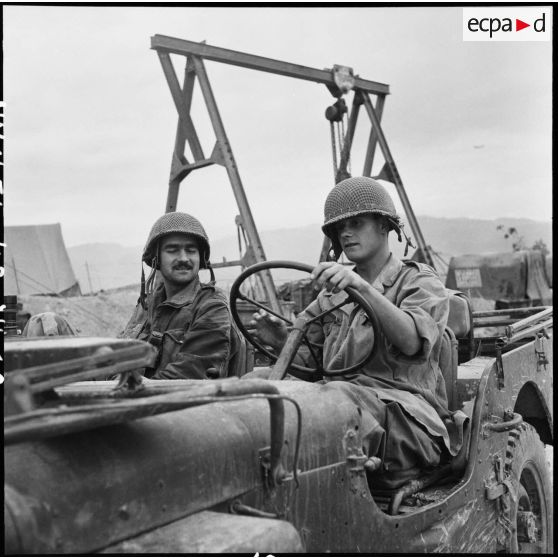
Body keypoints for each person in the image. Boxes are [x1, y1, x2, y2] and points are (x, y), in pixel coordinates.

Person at [249, 176, 465, 488]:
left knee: (335, 396)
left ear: (384, 225)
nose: (346, 233)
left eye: (357, 223)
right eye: (339, 228)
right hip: (342, 409)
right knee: (253, 383)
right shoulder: (331, 295)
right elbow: (313, 368)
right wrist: (283, 339)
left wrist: (360, 286)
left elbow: (412, 342)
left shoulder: (418, 281)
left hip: (407, 420)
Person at [120, 212, 232, 380]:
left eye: (191, 251)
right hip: (136, 396)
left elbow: (190, 375)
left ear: (200, 258)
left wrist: (128, 388)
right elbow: (120, 354)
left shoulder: (211, 307)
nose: (184, 258)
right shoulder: (147, 305)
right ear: (156, 259)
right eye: (172, 250)